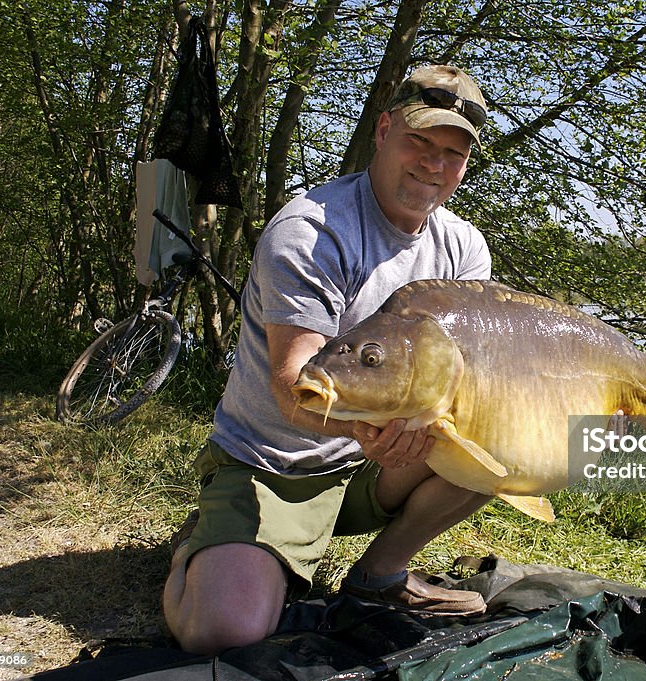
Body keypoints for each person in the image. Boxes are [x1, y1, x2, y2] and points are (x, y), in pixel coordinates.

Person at [162, 64, 494, 656]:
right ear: (384, 129)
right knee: (223, 633)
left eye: (453, 153)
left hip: (375, 466)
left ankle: (380, 576)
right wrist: (369, 431)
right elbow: (296, 389)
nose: (433, 165)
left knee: (521, 438)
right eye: (419, 141)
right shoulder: (311, 231)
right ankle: (207, 542)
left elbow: (462, 378)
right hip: (276, 466)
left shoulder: (463, 247)